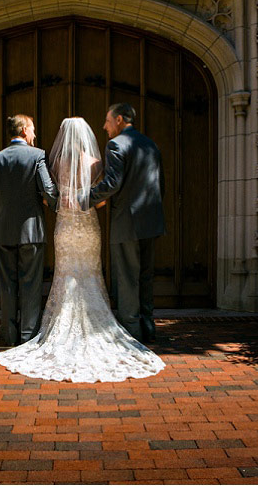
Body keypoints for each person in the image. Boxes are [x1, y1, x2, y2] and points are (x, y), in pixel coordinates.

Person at [0, 117, 164, 382]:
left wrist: (60, 201)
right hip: (87, 227)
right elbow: (100, 201)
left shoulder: (54, 163)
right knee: (90, 276)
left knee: (66, 276)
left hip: (64, 227)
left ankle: (36, 331)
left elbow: (47, 193)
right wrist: (86, 200)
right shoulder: (96, 163)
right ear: (86, 137)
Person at [85, 103, 165, 343]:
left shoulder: (116, 145)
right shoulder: (151, 144)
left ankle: (132, 332)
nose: (104, 126)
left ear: (119, 119)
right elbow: (161, 183)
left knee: (128, 276)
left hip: (127, 222)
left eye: (107, 121)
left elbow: (112, 183)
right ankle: (148, 326)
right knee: (145, 276)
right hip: (151, 219)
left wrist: (85, 198)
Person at [0, 114, 58, 346]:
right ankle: (28, 336)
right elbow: (47, 189)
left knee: (7, 285)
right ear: (25, 130)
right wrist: (56, 206)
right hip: (32, 232)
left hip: (2, 231)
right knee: (30, 285)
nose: (35, 134)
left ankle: (9, 335)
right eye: (33, 129)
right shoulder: (37, 156)